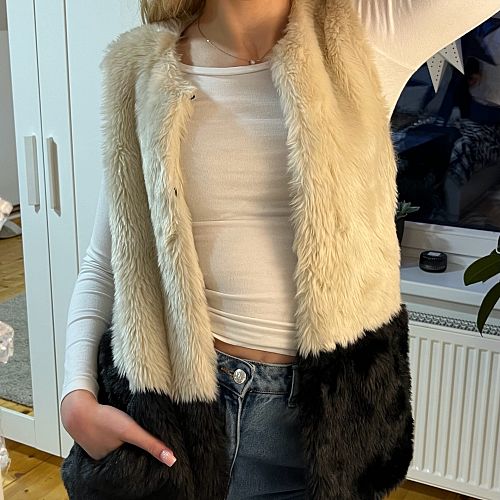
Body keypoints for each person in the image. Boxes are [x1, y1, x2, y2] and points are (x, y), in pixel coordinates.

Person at [59, 1, 500, 499]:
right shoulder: (144, 65)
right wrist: (75, 394)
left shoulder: (367, 33)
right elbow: (105, 261)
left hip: (331, 419)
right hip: (171, 415)